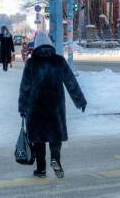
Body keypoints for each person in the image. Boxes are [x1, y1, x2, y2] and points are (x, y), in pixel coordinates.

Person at [18, 32, 87, 179]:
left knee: (38, 139)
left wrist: (23, 107)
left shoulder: (31, 63)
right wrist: (80, 100)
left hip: (36, 107)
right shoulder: (59, 61)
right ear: (50, 45)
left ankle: (41, 169)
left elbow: (25, 87)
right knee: (55, 136)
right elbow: (71, 82)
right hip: (55, 107)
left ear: (36, 46)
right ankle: (55, 159)